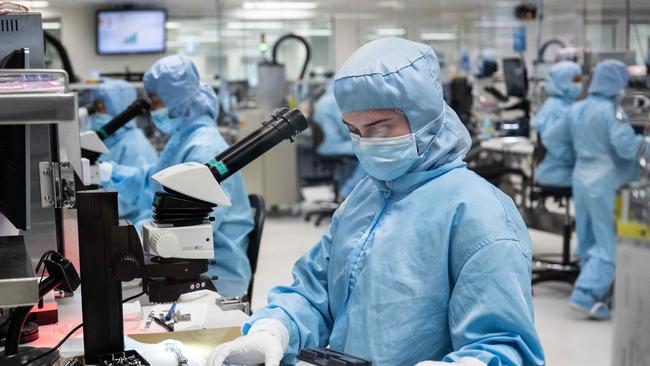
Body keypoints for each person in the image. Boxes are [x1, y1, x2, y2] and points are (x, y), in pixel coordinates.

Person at [208, 38, 545, 366]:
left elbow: (506, 347)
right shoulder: (365, 198)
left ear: (423, 117)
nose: (365, 144)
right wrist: (274, 330)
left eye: (381, 129)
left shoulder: (479, 213)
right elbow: (315, 291)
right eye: (354, 131)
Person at [100, 55, 254, 297]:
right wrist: (108, 172)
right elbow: (150, 181)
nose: (152, 109)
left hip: (214, 273)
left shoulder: (205, 149)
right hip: (183, 264)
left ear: (176, 99)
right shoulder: (183, 138)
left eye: (156, 100)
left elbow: (191, 225)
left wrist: (126, 240)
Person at [567, 59, 649, 319]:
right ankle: (586, 294)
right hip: (608, 182)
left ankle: (597, 296)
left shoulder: (577, 108)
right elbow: (625, 148)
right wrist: (646, 142)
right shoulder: (614, 111)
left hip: (581, 179)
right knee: (610, 241)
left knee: (589, 237)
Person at [86, 79, 158, 223]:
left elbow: (128, 199)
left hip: (130, 225)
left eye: (102, 106)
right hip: (108, 221)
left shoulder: (135, 147)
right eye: (96, 106)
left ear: (118, 106)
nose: (97, 113)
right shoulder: (107, 140)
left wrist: (87, 207)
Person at [311, 81, 366, 197]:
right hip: (331, 146)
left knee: (361, 150)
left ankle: (346, 190)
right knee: (368, 150)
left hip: (326, 145)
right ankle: (347, 194)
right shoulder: (334, 101)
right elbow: (347, 129)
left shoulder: (325, 100)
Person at [533, 61, 582, 187]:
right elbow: (552, 141)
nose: (579, 84)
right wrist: (574, 158)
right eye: (575, 80)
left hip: (550, 170)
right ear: (562, 81)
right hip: (556, 172)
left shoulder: (556, 103)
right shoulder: (559, 108)